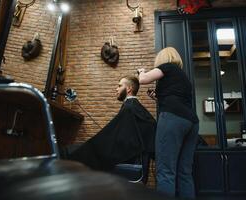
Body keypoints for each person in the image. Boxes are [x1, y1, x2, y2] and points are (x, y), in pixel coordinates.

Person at [137, 47, 199, 199]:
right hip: (191, 123)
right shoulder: (183, 78)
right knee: (184, 172)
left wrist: (141, 71)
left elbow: (143, 80)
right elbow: (175, 98)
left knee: (165, 171)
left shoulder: (168, 67)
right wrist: (157, 96)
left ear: (163, 58)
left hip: (173, 119)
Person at [68, 75, 156, 172]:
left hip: (128, 159)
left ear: (129, 89)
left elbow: (122, 139)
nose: (116, 89)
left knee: (76, 153)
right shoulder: (133, 107)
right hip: (130, 156)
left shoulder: (129, 108)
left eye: (119, 86)